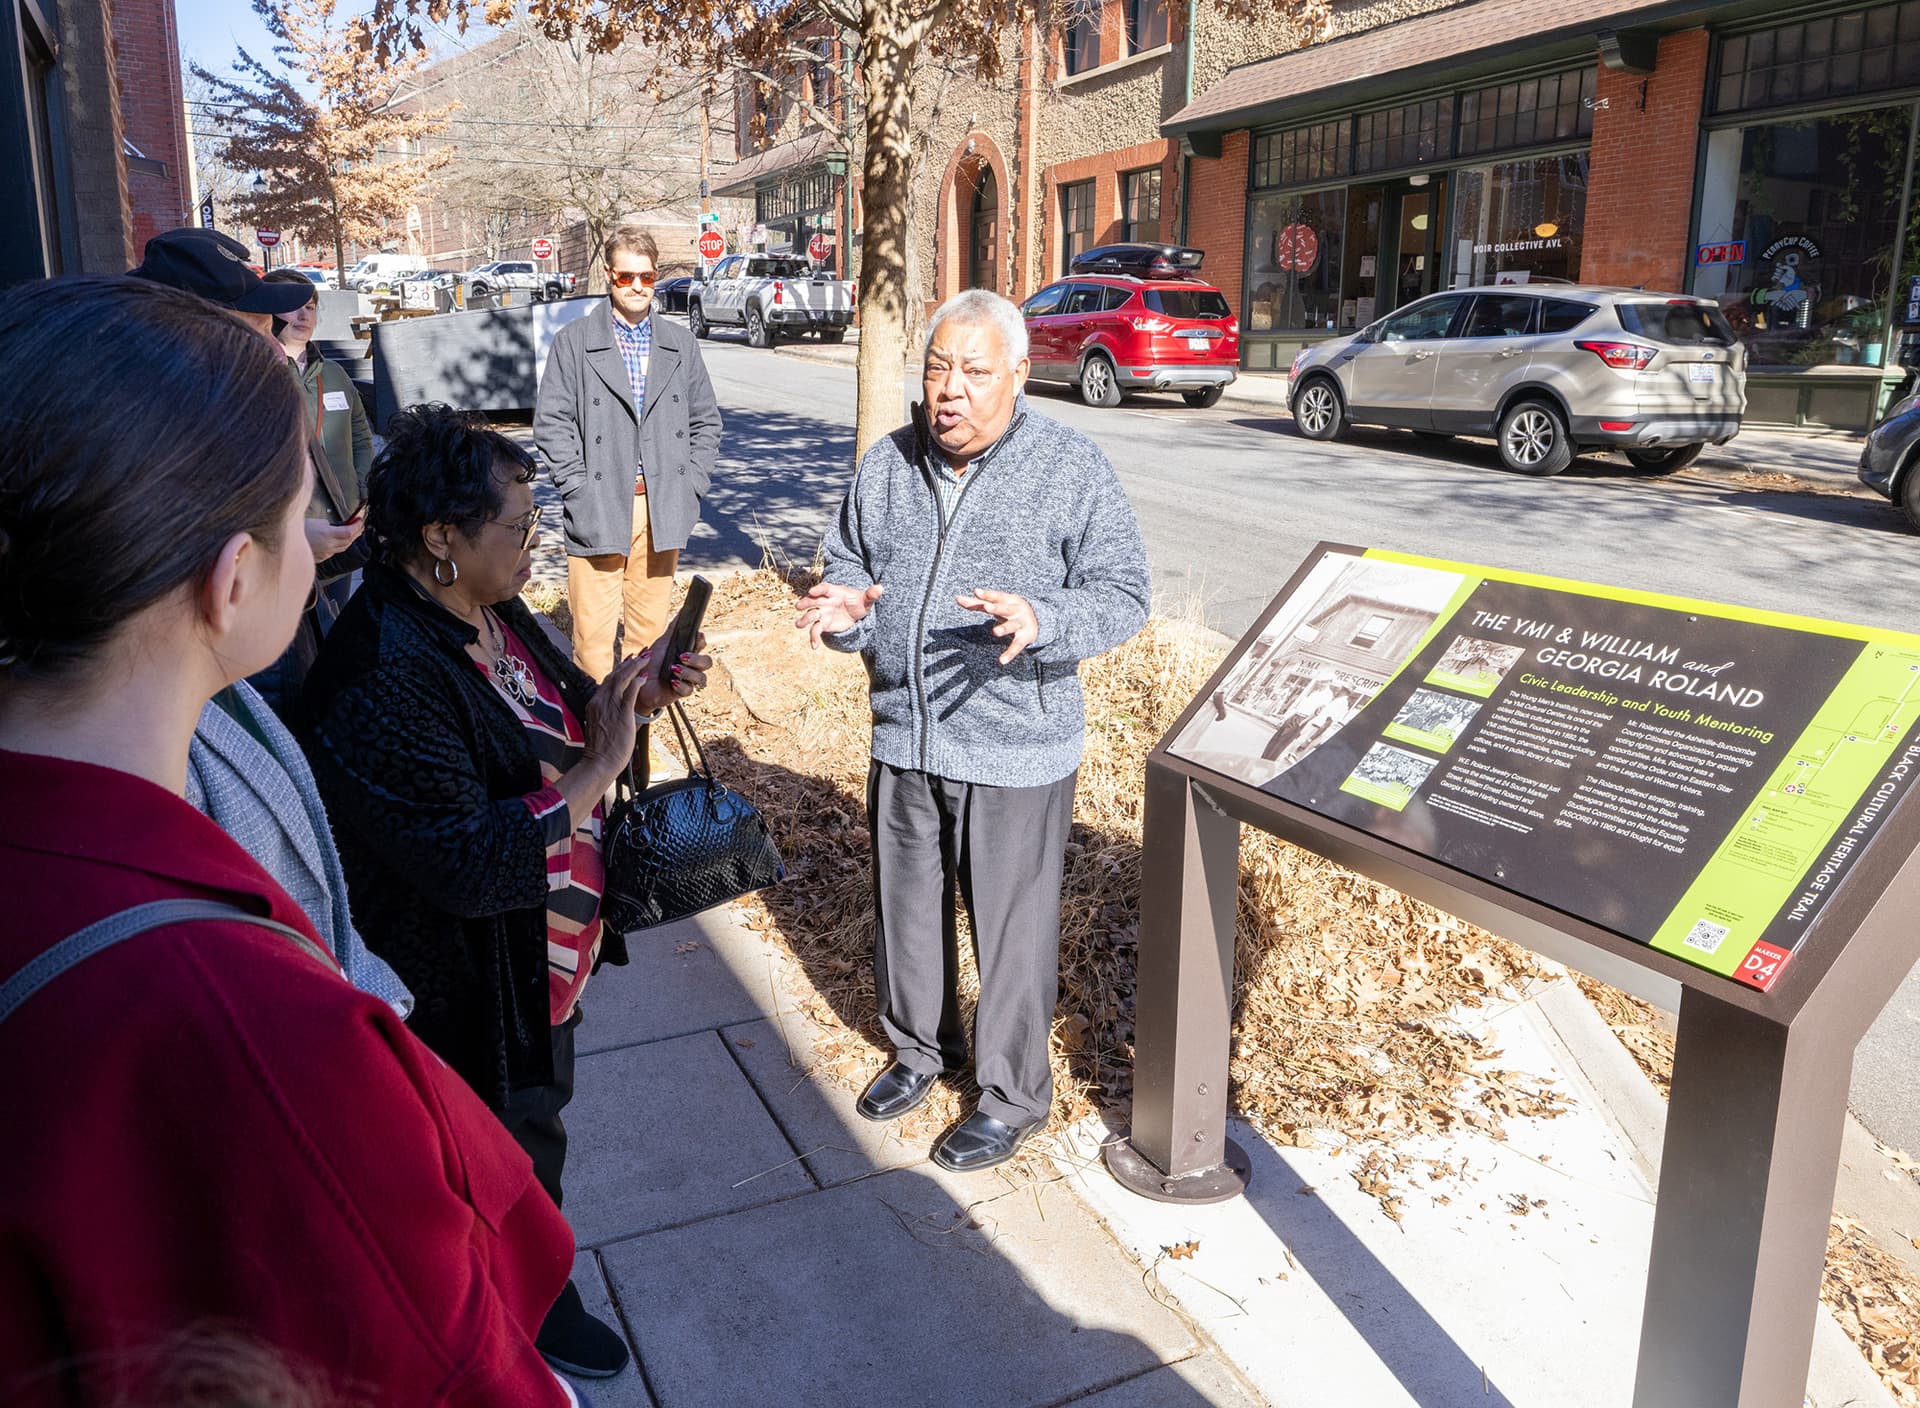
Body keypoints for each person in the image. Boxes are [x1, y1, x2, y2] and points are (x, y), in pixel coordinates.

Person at [0, 276, 573, 1406]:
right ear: (232, 580)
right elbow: (451, 1365)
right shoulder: (252, 1026)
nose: (323, 549)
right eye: (298, 519)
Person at [301, 403, 712, 1381]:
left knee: (532, 1132)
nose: (537, 544)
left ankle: (531, 1284)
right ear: (441, 537)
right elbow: (468, 860)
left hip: (536, 965)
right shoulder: (381, 665)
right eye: (519, 528)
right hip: (463, 987)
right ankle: (512, 1315)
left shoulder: (489, 609)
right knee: (482, 1156)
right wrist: (596, 771)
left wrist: (636, 695)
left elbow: (570, 712)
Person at [797, 289, 1151, 1174]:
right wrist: (847, 613)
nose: (949, 389)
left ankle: (1011, 1095)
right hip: (903, 732)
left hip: (1016, 746)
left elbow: (1124, 593)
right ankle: (921, 1049)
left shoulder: (1069, 467)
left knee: (1012, 933)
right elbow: (851, 565)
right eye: (937, 368)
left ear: (1019, 375)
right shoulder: (888, 464)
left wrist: (1046, 618)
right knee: (907, 911)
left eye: (974, 371)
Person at [129, 229, 366, 711]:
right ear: (194, 333)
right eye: (257, 328)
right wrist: (285, 544)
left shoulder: (215, 413)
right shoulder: (150, 436)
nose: (274, 348)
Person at [534, 225, 723, 682]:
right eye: (626, 277)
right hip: (598, 504)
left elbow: (706, 422)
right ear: (608, 275)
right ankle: (595, 728)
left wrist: (690, 486)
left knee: (649, 642)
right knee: (592, 646)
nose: (637, 286)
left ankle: (638, 728)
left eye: (647, 277)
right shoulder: (574, 341)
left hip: (662, 506)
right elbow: (552, 423)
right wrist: (578, 489)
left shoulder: (680, 343)